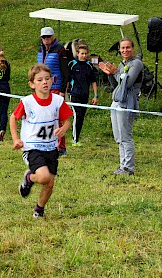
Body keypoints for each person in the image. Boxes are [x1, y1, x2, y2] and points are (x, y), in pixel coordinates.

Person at [10, 64, 73, 219]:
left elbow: (67, 120)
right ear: (32, 84)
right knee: (43, 176)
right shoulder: (27, 102)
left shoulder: (58, 101)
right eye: (40, 80)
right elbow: (13, 118)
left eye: (47, 79)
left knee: (49, 183)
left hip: (51, 148)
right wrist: (16, 139)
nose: (44, 82)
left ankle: (39, 210)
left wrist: (64, 128)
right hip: (32, 147)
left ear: (52, 81)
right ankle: (29, 178)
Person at [99, 38, 144, 176]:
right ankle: (122, 165)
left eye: (128, 47)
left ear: (133, 48)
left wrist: (115, 72)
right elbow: (116, 85)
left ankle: (129, 168)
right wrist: (109, 73)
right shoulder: (121, 64)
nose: (125, 50)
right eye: (122, 48)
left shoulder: (136, 63)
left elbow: (128, 82)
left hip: (127, 102)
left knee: (126, 135)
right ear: (119, 49)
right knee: (118, 136)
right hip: (117, 101)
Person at [37, 27, 69, 156]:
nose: (46, 39)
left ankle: (61, 147)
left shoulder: (60, 50)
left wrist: (62, 90)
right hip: (42, 88)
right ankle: (46, 144)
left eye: (48, 37)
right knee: (44, 117)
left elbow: (65, 72)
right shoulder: (40, 49)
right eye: (43, 37)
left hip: (56, 87)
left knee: (57, 118)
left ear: (53, 37)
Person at [68, 43, 98, 146]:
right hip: (74, 94)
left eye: (85, 53)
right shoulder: (72, 64)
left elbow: (93, 81)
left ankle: (77, 137)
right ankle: (75, 140)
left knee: (81, 117)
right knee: (77, 115)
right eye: (82, 53)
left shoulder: (89, 65)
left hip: (85, 95)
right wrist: (64, 92)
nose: (84, 55)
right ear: (77, 53)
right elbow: (67, 79)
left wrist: (95, 95)